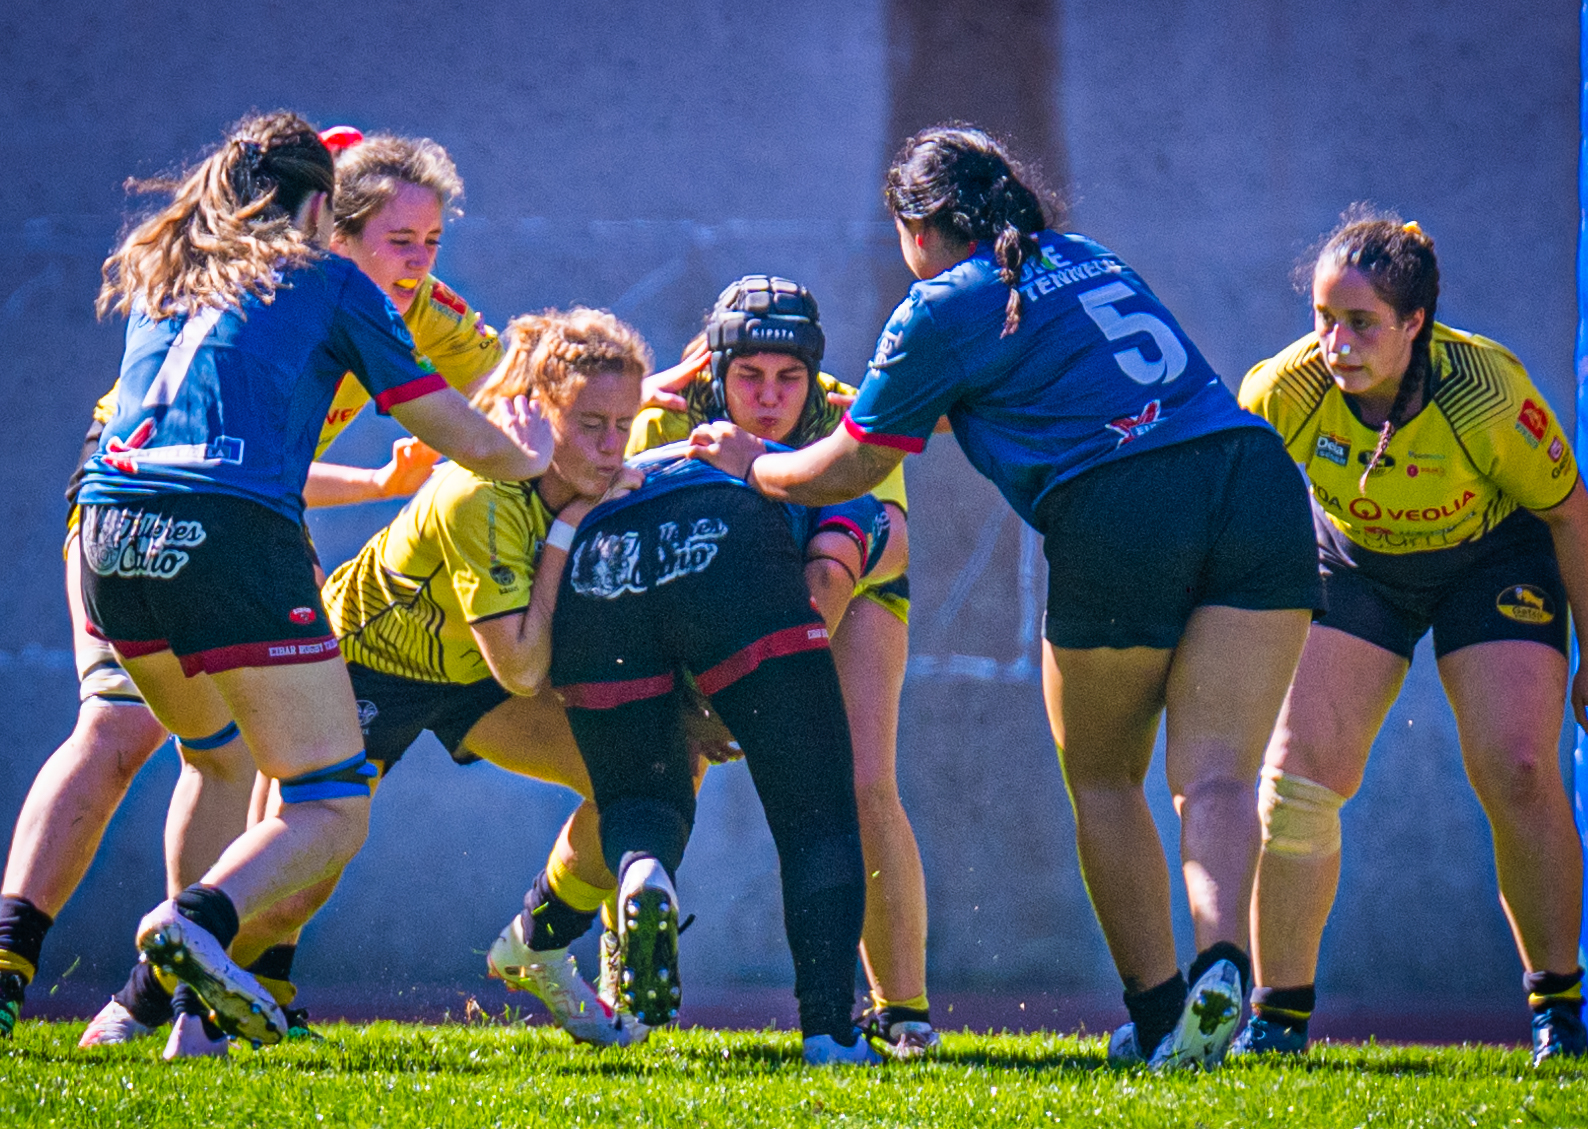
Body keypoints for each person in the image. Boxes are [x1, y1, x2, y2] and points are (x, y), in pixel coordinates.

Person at [689, 125, 1322, 1071]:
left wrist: (761, 464)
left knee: (1105, 775)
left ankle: (1159, 1019)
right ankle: (1224, 960)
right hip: (1256, 482)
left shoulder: (939, 304)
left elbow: (856, 459)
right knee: (1219, 774)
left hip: (1123, 502)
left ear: (915, 225)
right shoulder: (1085, 256)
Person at [50, 110, 549, 1053]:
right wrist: (526, 459)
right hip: (228, 535)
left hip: (108, 535)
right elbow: (447, 421)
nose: (413, 258)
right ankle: (188, 926)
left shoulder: (173, 271)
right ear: (326, 207)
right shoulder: (333, 282)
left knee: (217, 757)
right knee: (328, 798)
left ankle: (157, 1016)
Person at [1233, 209, 1588, 1065]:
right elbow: (1238, 514)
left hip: (1490, 559)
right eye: (1323, 319)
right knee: (1295, 782)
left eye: (1362, 323)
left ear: (1415, 324)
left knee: (1520, 769)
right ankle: (1277, 1022)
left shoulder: (1485, 393)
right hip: (1357, 560)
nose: (1336, 344)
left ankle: (1556, 1013)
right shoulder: (1285, 389)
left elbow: (1570, 514)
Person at [562, 275, 937, 1057]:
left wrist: (756, 696)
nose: (770, 396)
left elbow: (884, 540)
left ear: (814, 376)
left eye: (788, 378)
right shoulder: (666, 412)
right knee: (657, 770)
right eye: (749, 378)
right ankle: (624, 976)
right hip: (710, 589)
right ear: (716, 374)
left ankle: (903, 1009)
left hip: (843, 573)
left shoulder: (848, 410)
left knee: (862, 779)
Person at [522, 428, 893, 1066]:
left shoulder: (640, 444)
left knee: (641, 797)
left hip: (593, 557)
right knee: (817, 810)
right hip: (733, 550)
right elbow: (831, 574)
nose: (770, 399)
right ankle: (830, 1033)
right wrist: (752, 699)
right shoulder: (826, 461)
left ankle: (642, 872)